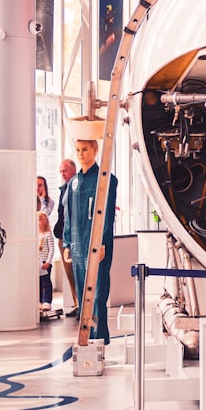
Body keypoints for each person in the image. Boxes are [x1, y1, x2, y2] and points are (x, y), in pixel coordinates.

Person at [62, 139, 117, 344]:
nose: (81, 154)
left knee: (98, 293)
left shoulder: (106, 179)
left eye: (85, 149)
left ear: (95, 149)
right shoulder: (73, 183)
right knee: (82, 294)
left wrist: (101, 241)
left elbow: (107, 213)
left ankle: (99, 337)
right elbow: (68, 213)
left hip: (95, 244)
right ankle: (85, 337)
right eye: (77, 150)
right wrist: (67, 242)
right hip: (77, 245)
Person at [53, 158, 79, 317]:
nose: (62, 174)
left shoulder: (77, 186)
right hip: (63, 235)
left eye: (65, 170)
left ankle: (83, 305)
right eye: (61, 171)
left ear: (73, 170)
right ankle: (76, 303)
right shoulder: (64, 188)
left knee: (78, 271)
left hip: (74, 238)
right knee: (69, 274)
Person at [37, 211, 55, 312]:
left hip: (45, 262)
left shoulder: (48, 235)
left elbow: (51, 249)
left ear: (45, 222)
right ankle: (39, 301)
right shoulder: (36, 235)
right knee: (38, 282)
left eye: (40, 219)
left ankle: (46, 301)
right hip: (37, 263)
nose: (38, 222)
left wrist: (48, 262)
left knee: (46, 282)